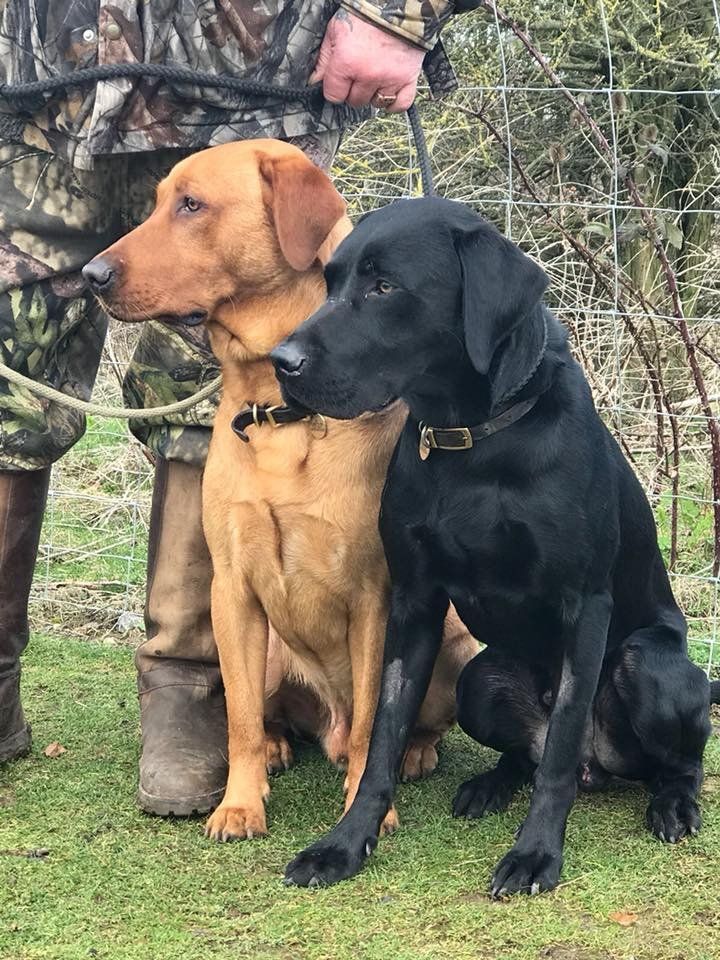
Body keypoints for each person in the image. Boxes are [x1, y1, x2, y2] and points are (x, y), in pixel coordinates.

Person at [0, 1, 468, 815]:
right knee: (9, 369)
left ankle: (188, 681)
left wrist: (396, 12)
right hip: (40, 73)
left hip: (240, 69)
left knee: (210, 375)